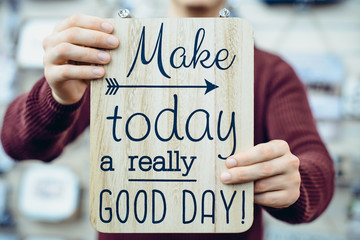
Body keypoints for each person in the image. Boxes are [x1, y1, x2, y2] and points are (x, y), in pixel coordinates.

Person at [1, 0, 334, 239]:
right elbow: (18, 143)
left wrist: (296, 184)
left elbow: (315, 162)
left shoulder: (270, 72)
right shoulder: (114, 59)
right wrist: (56, 97)